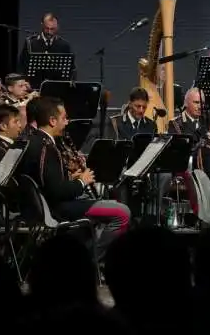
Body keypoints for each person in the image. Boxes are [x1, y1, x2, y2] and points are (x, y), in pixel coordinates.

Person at [19, 97, 130, 258]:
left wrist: (71, 178)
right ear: (52, 121)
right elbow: (57, 192)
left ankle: (79, 256)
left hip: (46, 205)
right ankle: (92, 260)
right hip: (56, 208)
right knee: (122, 213)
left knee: (110, 205)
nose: (67, 122)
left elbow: (48, 180)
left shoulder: (35, 140)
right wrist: (82, 181)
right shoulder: (46, 147)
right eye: (64, 118)